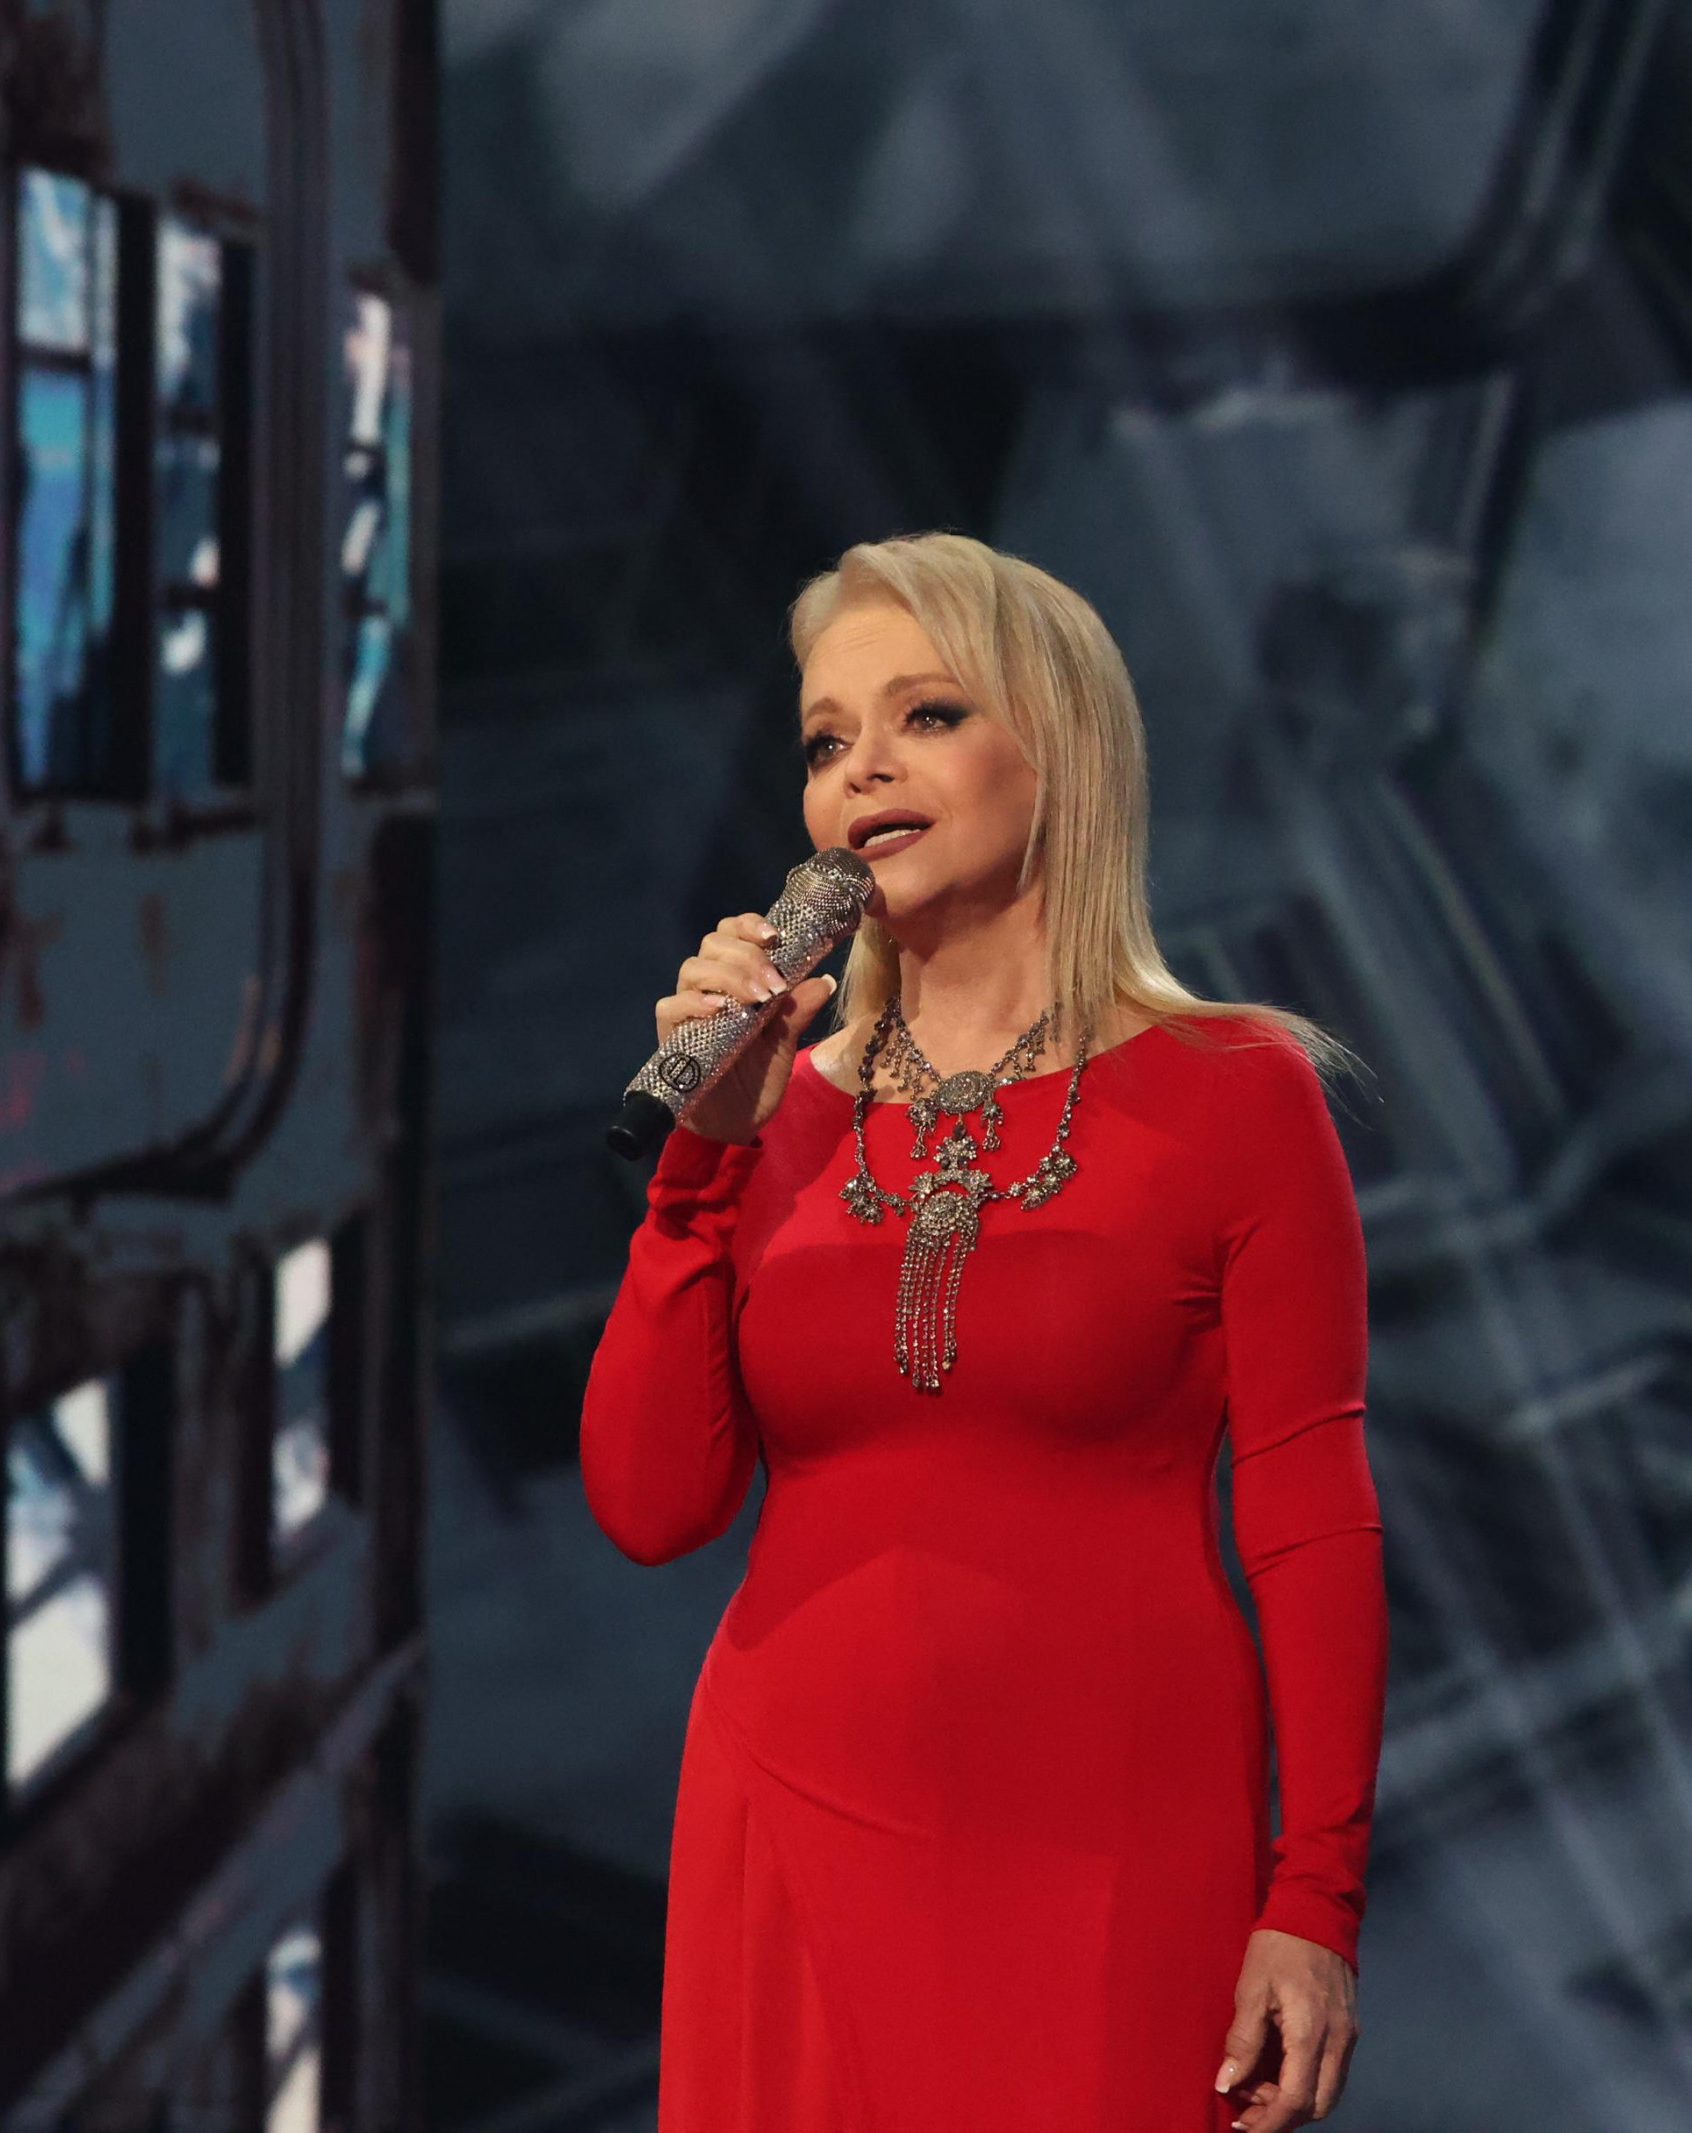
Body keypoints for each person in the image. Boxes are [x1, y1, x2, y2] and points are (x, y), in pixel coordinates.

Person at [579, 531, 1388, 2133]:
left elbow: (1310, 1514)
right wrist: (700, 1165)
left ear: (1061, 749)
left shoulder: (1238, 1091)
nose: (861, 767)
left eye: (927, 714)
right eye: (826, 741)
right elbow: (652, 1506)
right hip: (788, 1815)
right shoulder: (771, 1114)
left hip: (1116, 1836)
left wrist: (1316, 1892)